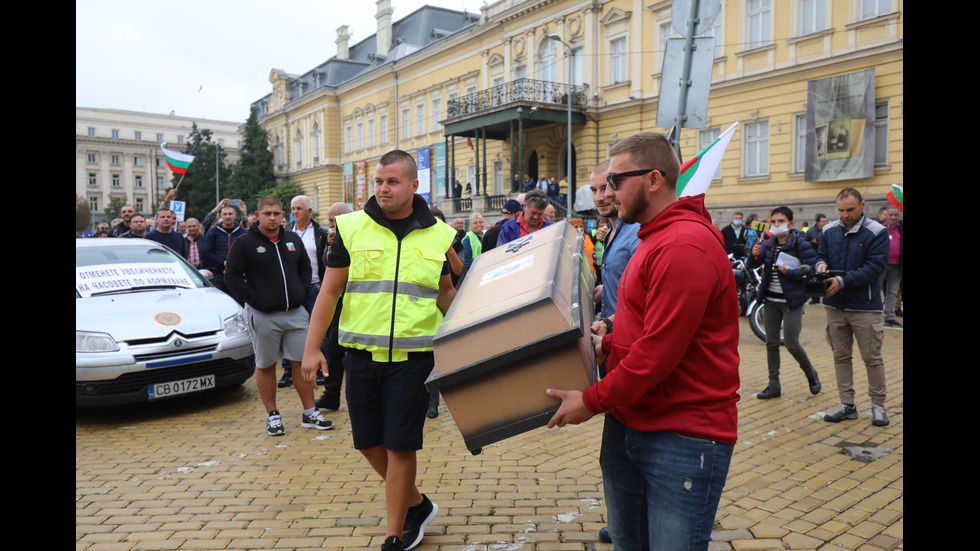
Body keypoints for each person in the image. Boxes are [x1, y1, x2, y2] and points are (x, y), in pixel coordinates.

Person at [546, 132, 739, 551]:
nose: (608, 193)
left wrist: (591, 400)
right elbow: (646, 332)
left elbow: (657, 356)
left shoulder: (682, 245)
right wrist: (609, 346)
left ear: (653, 179)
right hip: (631, 419)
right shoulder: (653, 238)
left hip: (681, 435)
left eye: (616, 181)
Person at [301, 150, 455, 551]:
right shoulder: (352, 228)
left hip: (415, 359)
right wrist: (312, 348)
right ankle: (417, 503)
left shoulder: (438, 234)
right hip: (359, 356)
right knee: (368, 443)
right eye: (378, 182)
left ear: (413, 186)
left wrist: (470, 338)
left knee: (401, 445)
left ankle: (395, 531)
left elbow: (445, 293)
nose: (383, 189)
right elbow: (330, 291)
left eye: (392, 182)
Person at [224, 195, 334, 436]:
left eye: (276, 213)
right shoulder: (245, 243)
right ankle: (272, 415)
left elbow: (306, 268)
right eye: (267, 214)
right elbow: (231, 276)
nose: (272, 218)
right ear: (258, 214)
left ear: (283, 215)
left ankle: (309, 412)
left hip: (295, 313)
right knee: (266, 365)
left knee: (302, 364)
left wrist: (302, 290)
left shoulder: (293, 239)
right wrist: (255, 299)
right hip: (264, 316)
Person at [585, 160, 641, 546]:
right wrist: (604, 292)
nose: (602, 195)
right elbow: (622, 281)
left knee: (632, 445)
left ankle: (629, 523)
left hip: (630, 345)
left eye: (608, 187)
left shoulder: (636, 230)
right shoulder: (614, 229)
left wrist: (613, 320)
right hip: (613, 343)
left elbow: (643, 292)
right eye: (594, 190)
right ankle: (624, 519)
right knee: (619, 444)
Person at [817, 188, 890, 427]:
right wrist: (820, 264)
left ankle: (878, 406)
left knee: (872, 358)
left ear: (863, 205)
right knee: (841, 357)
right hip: (834, 305)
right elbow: (821, 254)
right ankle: (847, 404)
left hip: (865, 306)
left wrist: (843, 281)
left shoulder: (877, 231)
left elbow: (875, 268)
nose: (845, 214)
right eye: (840, 210)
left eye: (850, 209)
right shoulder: (828, 230)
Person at [747, 206, 821, 400]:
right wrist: (754, 253)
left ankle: (811, 373)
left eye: (781, 221)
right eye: (773, 222)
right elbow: (753, 264)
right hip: (770, 301)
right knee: (771, 343)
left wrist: (792, 273)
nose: (777, 225)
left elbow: (811, 269)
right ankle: (774, 385)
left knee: (792, 343)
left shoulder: (800, 243)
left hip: (791, 302)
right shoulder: (768, 243)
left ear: (790, 223)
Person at [278, 195, 333, 389]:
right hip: (291, 290)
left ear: (309, 211)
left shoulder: (321, 233)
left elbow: (328, 260)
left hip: (314, 287)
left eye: (299, 208)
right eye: (293, 208)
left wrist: (322, 283)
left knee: (318, 330)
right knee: (289, 328)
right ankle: (288, 371)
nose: (295, 212)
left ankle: (319, 368)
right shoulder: (284, 232)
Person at [314, 202, 354, 412]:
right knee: (333, 350)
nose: (329, 225)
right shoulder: (330, 239)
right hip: (338, 301)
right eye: (329, 220)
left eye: (332, 220)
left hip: (356, 301)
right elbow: (326, 268)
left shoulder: (356, 235)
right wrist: (331, 246)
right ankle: (332, 395)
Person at [201, 204, 247, 295]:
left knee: (237, 300)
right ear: (221, 216)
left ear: (235, 215)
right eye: (225, 214)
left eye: (230, 214)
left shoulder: (242, 231)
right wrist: (223, 262)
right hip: (217, 273)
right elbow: (205, 253)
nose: (227, 217)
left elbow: (247, 251)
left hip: (236, 273)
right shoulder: (213, 231)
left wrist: (235, 263)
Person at [880, 206, 903, 328]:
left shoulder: (902, 227)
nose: (893, 217)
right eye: (891, 215)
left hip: (897, 265)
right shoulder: (879, 227)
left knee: (893, 292)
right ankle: (875, 317)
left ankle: (889, 317)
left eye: (896, 215)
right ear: (886, 215)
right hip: (880, 265)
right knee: (875, 290)